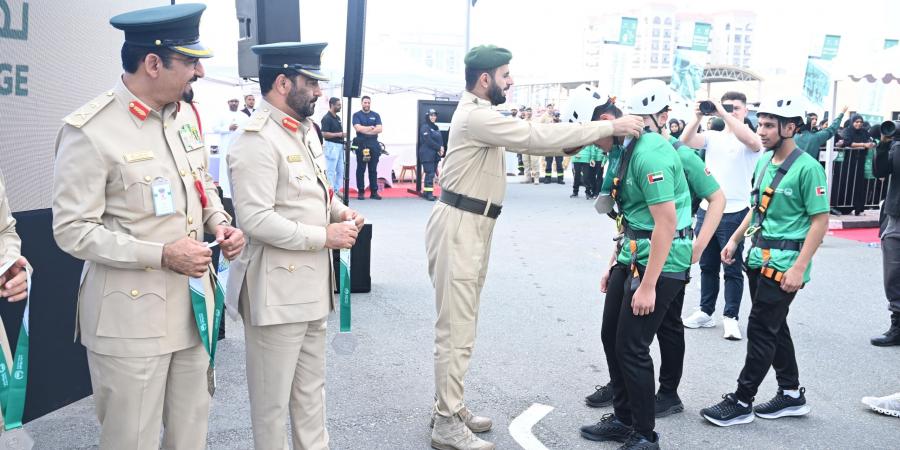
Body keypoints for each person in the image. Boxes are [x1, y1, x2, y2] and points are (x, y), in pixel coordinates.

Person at [425, 44, 643, 450]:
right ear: (485, 78)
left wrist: (572, 143)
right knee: (455, 328)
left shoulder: (480, 114)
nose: (511, 81)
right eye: (506, 75)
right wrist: (606, 128)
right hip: (461, 224)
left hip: (471, 224)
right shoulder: (476, 115)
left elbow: (539, 140)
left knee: (463, 324)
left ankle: (450, 407)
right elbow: (531, 136)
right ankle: (445, 421)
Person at [51, 4, 245, 448]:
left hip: (193, 309)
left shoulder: (181, 118)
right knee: (130, 440)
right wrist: (161, 254)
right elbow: (72, 229)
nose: (198, 71)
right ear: (153, 63)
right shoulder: (90, 129)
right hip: (130, 320)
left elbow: (201, 183)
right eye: (190, 61)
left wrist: (220, 222)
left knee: (190, 434)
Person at [225, 41, 364, 450]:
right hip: (275, 296)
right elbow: (255, 219)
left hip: (311, 291)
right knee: (271, 407)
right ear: (282, 83)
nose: (319, 92)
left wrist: (339, 212)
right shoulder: (256, 139)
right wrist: (326, 237)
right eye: (311, 83)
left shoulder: (303, 132)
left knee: (310, 396)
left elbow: (316, 194)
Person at [700, 97, 829, 427]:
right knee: (775, 326)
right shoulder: (764, 163)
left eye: (771, 125)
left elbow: (819, 221)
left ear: (791, 128)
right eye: (761, 124)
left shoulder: (808, 168)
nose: (763, 131)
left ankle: (742, 400)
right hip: (758, 258)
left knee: (760, 329)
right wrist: (734, 239)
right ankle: (790, 394)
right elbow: (757, 209)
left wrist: (799, 267)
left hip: (785, 264)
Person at [578, 80, 693, 450]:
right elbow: (631, 216)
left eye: (595, 134)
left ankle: (645, 435)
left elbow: (665, 223)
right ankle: (624, 419)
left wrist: (648, 286)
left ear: (610, 120)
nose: (594, 143)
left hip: (661, 260)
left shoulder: (650, 154)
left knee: (632, 346)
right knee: (611, 336)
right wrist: (614, 261)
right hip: (632, 253)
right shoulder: (624, 150)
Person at [680, 92, 763, 340]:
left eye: (736, 107)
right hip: (708, 209)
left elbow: (753, 142)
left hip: (736, 211)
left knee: (732, 268)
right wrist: (697, 117)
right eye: (728, 107)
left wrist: (724, 112)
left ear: (745, 111)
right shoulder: (713, 136)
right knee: (706, 265)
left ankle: (731, 317)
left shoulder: (751, 137)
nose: (730, 111)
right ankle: (706, 311)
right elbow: (685, 142)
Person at [870, 123, 900, 346]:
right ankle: (897, 325)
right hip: (895, 216)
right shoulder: (896, 146)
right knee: (892, 275)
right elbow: (879, 171)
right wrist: (883, 145)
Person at [213, 94, 249, 198]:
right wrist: (228, 128)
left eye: (236, 101)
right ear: (228, 103)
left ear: (239, 103)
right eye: (232, 101)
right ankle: (225, 191)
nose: (234, 103)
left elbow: (249, 128)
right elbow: (215, 128)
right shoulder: (222, 114)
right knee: (225, 167)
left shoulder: (244, 116)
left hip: (240, 146)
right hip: (226, 146)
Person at [840, 114, 874, 215]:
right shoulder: (847, 131)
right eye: (856, 122)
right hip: (848, 162)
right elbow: (847, 142)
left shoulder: (864, 132)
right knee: (847, 183)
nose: (859, 124)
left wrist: (871, 144)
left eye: (860, 122)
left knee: (859, 184)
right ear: (852, 122)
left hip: (860, 161)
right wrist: (863, 145)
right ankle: (844, 207)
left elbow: (869, 140)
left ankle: (857, 207)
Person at [352, 95, 383, 200]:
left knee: (373, 169)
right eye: (365, 102)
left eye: (368, 103)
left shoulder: (376, 115)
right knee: (361, 168)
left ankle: (374, 192)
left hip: (373, 143)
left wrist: (366, 130)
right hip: (361, 143)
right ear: (361, 103)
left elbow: (379, 129)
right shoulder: (356, 115)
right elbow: (358, 128)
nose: (367, 104)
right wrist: (370, 128)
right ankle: (361, 192)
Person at [321, 97, 346, 197]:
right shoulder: (326, 118)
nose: (340, 107)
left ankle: (337, 189)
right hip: (331, 146)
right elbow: (324, 134)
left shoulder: (338, 118)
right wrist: (339, 134)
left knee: (341, 170)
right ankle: (330, 191)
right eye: (338, 105)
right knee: (331, 170)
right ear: (332, 105)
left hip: (340, 146)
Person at [419, 108, 445, 201]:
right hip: (427, 154)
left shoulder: (435, 127)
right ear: (427, 116)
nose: (433, 117)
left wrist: (442, 147)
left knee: (431, 174)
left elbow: (440, 139)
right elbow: (428, 140)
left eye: (434, 115)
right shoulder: (425, 127)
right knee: (430, 174)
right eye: (431, 115)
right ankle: (429, 193)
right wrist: (439, 147)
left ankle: (427, 192)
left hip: (435, 155)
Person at [541, 104, 565, 184]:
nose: (557, 117)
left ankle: (560, 179)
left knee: (559, 163)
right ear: (553, 117)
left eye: (558, 116)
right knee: (548, 163)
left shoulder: (562, 124)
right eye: (555, 116)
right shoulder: (549, 124)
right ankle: (547, 178)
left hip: (559, 146)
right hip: (550, 146)